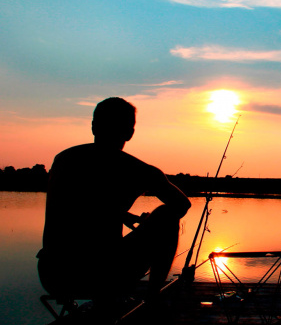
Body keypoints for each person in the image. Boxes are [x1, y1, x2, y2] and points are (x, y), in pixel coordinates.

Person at [37, 97, 191, 303]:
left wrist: (119, 213)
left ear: (93, 127)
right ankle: (153, 299)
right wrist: (148, 224)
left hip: (54, 275)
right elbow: (182, 205)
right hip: (106, 275)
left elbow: (83, 205)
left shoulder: (64, 159)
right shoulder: (140, 170)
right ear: (130, 132)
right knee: (167, 216)